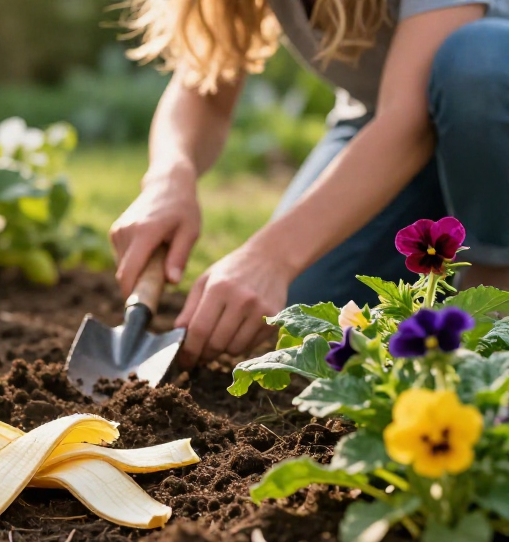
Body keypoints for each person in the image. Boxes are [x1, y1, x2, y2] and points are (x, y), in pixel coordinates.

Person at [110, 0, 509, 367]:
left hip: (484, 105)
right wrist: (169, 176)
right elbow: (207, 83)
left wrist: (273, 255)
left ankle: (494, 294)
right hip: (387, 123)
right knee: (304, 315)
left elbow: (410, 119)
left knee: (478, 60)